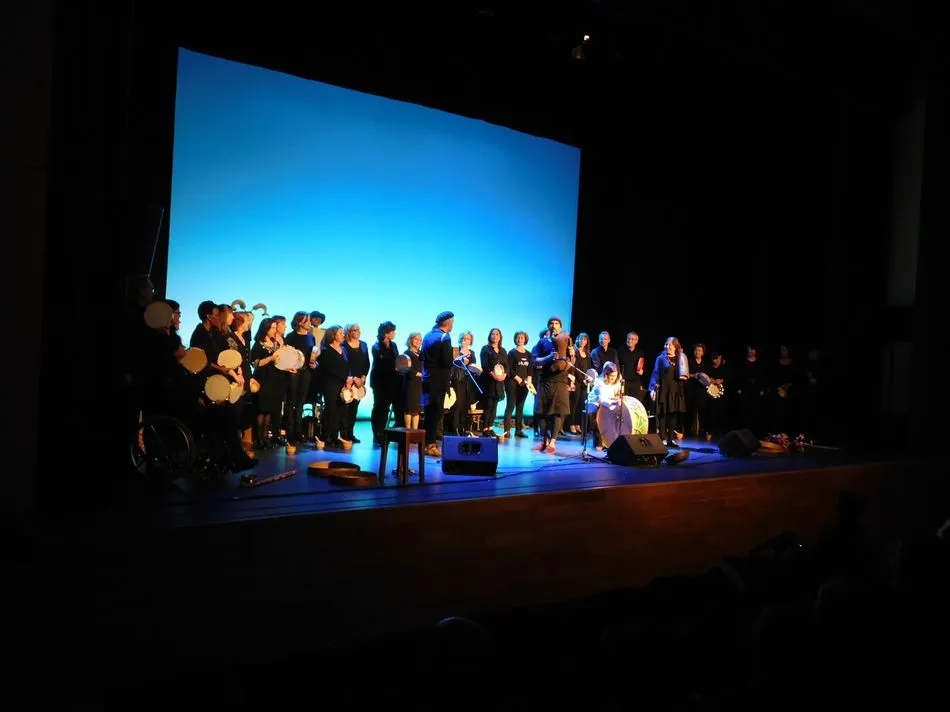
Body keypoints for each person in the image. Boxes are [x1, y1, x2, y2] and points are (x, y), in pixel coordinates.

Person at [532, 316, 572, 454]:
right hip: (545, 380)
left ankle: (552, 442)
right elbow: (535, 360)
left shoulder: (567, 340)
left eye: (556, 323)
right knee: (541, 412)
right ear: (548, 326)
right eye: (551, 323)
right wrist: (548, 358)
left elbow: (571, 360)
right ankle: (544, 441)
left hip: (560, 380)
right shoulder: (542, 342)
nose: (554, 325)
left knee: (557, 412)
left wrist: (565, 363)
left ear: (560, 326)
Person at [421, 311, 457, 457]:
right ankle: (431, 445)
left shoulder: (427, 336)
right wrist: (455, 358)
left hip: (427, 378)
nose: (453, 325)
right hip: (439, 380)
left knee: (429, 413)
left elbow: (422, 356)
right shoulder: (444, 337)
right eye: (452, 322)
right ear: (447, 323)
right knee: (436, 413)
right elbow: (446, 361)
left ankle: (426, 444)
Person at [649, 336, 688, 447]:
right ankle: (662, 438)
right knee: (663, 414)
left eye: (669, 345)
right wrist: (652, 389)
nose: (667, 347)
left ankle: (670, 439)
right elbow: (655, 373)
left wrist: (685, 377)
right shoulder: (661, 358)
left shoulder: (680, 358)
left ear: (675, 346)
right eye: (666, 344)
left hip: (676, 390)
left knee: (673, 414)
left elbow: (684, 373)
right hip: (664, 390)